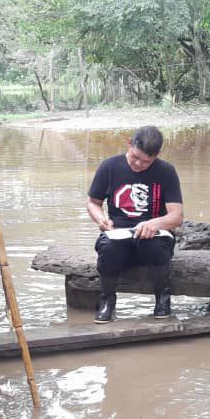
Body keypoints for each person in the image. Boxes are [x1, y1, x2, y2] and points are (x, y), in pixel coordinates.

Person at [86, 126, 183, 323]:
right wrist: (101, 219)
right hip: (119, 234)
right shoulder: (109, 167)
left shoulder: (166, 171)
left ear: (157, 156)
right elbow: (92, 202)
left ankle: (163, 299)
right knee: (108, 246)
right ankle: (107, 301)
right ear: (129, 144)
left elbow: (177, 216)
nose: (138, 164)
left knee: (153, 244)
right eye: (135, 157)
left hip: (154, 238)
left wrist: (156, 223)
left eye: (146, 161)